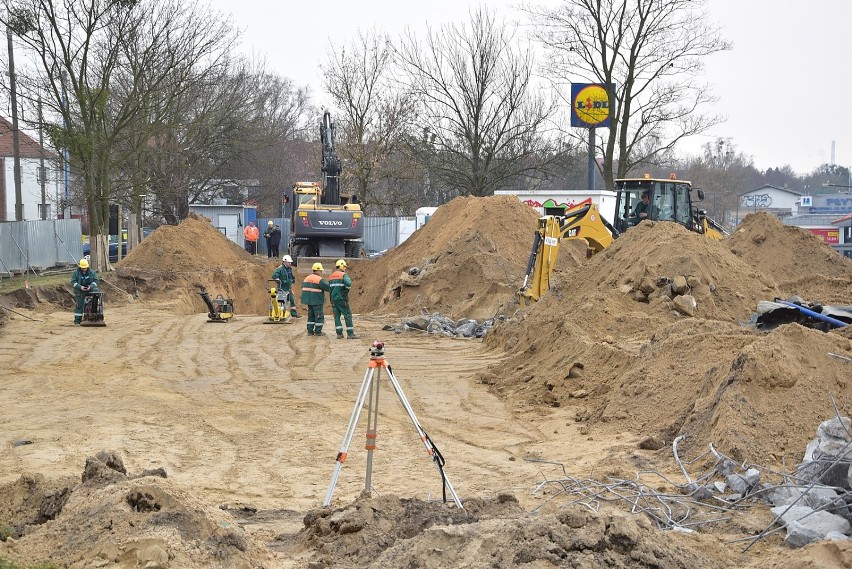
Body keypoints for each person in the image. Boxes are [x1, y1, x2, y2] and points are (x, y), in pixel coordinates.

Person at [329, 259, 359, 339]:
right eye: (344, 267)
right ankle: (350, 334)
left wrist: (331, 299)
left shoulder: (331, 276)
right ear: (342, 266)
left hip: (333, 299)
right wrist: (345, 291)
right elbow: (348, 283)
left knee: (337, 316)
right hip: (342, 299)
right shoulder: (343, 275)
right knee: (347, 315)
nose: (345, 268)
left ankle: (339, 334)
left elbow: (330, 289)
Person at [300, 262, 330, 336]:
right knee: (319, 316)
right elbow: (327, 287)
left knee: (311, 316)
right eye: (321, 270)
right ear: (318, 270)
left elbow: (303, 287)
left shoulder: (307, 278)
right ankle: (318, 331)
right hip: (317, 300)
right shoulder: (319, 279)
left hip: (308, 300)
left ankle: (310, 331)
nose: (321, 272)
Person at [71, 258, 99, 325]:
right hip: (80, 292)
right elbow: (73, 282)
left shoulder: (92, 273)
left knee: (95, 292)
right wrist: (80, 287)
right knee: (79, 306)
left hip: (90, 290)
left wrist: (90, 286)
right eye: (83, 268)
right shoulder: (75, 273)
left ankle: (90, 318)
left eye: (85, 268)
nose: (84, 269)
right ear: (80, 267)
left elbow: (96, 281)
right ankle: (77, 321)